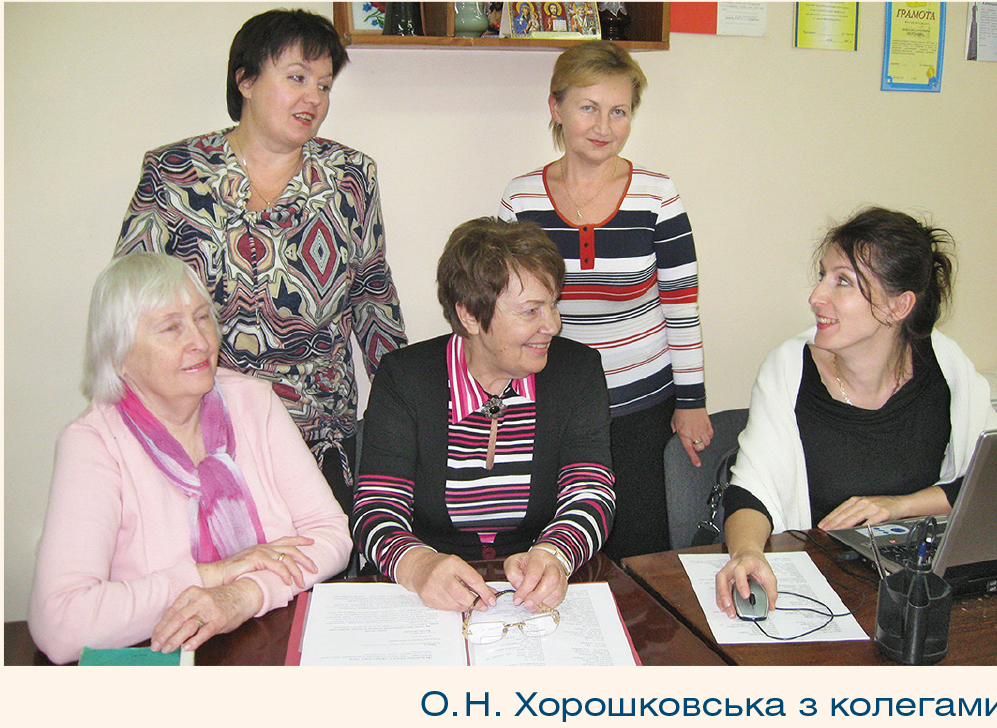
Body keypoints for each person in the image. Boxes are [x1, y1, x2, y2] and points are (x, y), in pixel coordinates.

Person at [115, 9, 406, 513]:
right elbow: (129, 303)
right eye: (297, 78)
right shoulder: (174, 174)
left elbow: (372, 296)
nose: (313, 98)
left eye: (324, 85)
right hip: (202, 428)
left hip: (319, 432)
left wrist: (403, 406)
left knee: (319, 558)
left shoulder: (350, 176)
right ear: (245, 80)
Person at [28, 254, 352, 665]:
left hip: (267, 644)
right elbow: (60, 625)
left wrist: (245, 594)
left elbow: (331, 534)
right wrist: (212, 575)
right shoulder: (93, 444)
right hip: (157, 663)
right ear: (119, 353)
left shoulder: (254, 402)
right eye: (171, 327)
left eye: (202, 318)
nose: (200, 341)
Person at [715, 207, 997, 618]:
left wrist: (897, 506)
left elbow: (990, 483)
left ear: (898, 306)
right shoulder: (789, 368)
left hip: (916, 589)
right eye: (822, 276)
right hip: (822, 588)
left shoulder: (944, 363)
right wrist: (747, 553)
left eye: (843, 281)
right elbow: (751, 490)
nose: (816, 296)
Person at [499, 40, 712, 561]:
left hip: (643, 402)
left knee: (639, 550)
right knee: (556, 547)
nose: (603, 126)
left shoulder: (657, 195)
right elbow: (503, 310)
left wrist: (692, 403)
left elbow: (682, 307)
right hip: (551, 397)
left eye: (619, 111)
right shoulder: (521, 198)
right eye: (588, 107)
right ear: (556, 108)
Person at [353, 218, 616, 612]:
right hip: (426, 599)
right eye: (531, 311)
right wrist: (418, 565)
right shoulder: (405, 379)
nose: (553, 325)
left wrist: (555, 553)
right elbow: (376, 506)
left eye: (553, 304)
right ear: (470, 316)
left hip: (535, 598)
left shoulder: (577, 373)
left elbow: (591, 491)